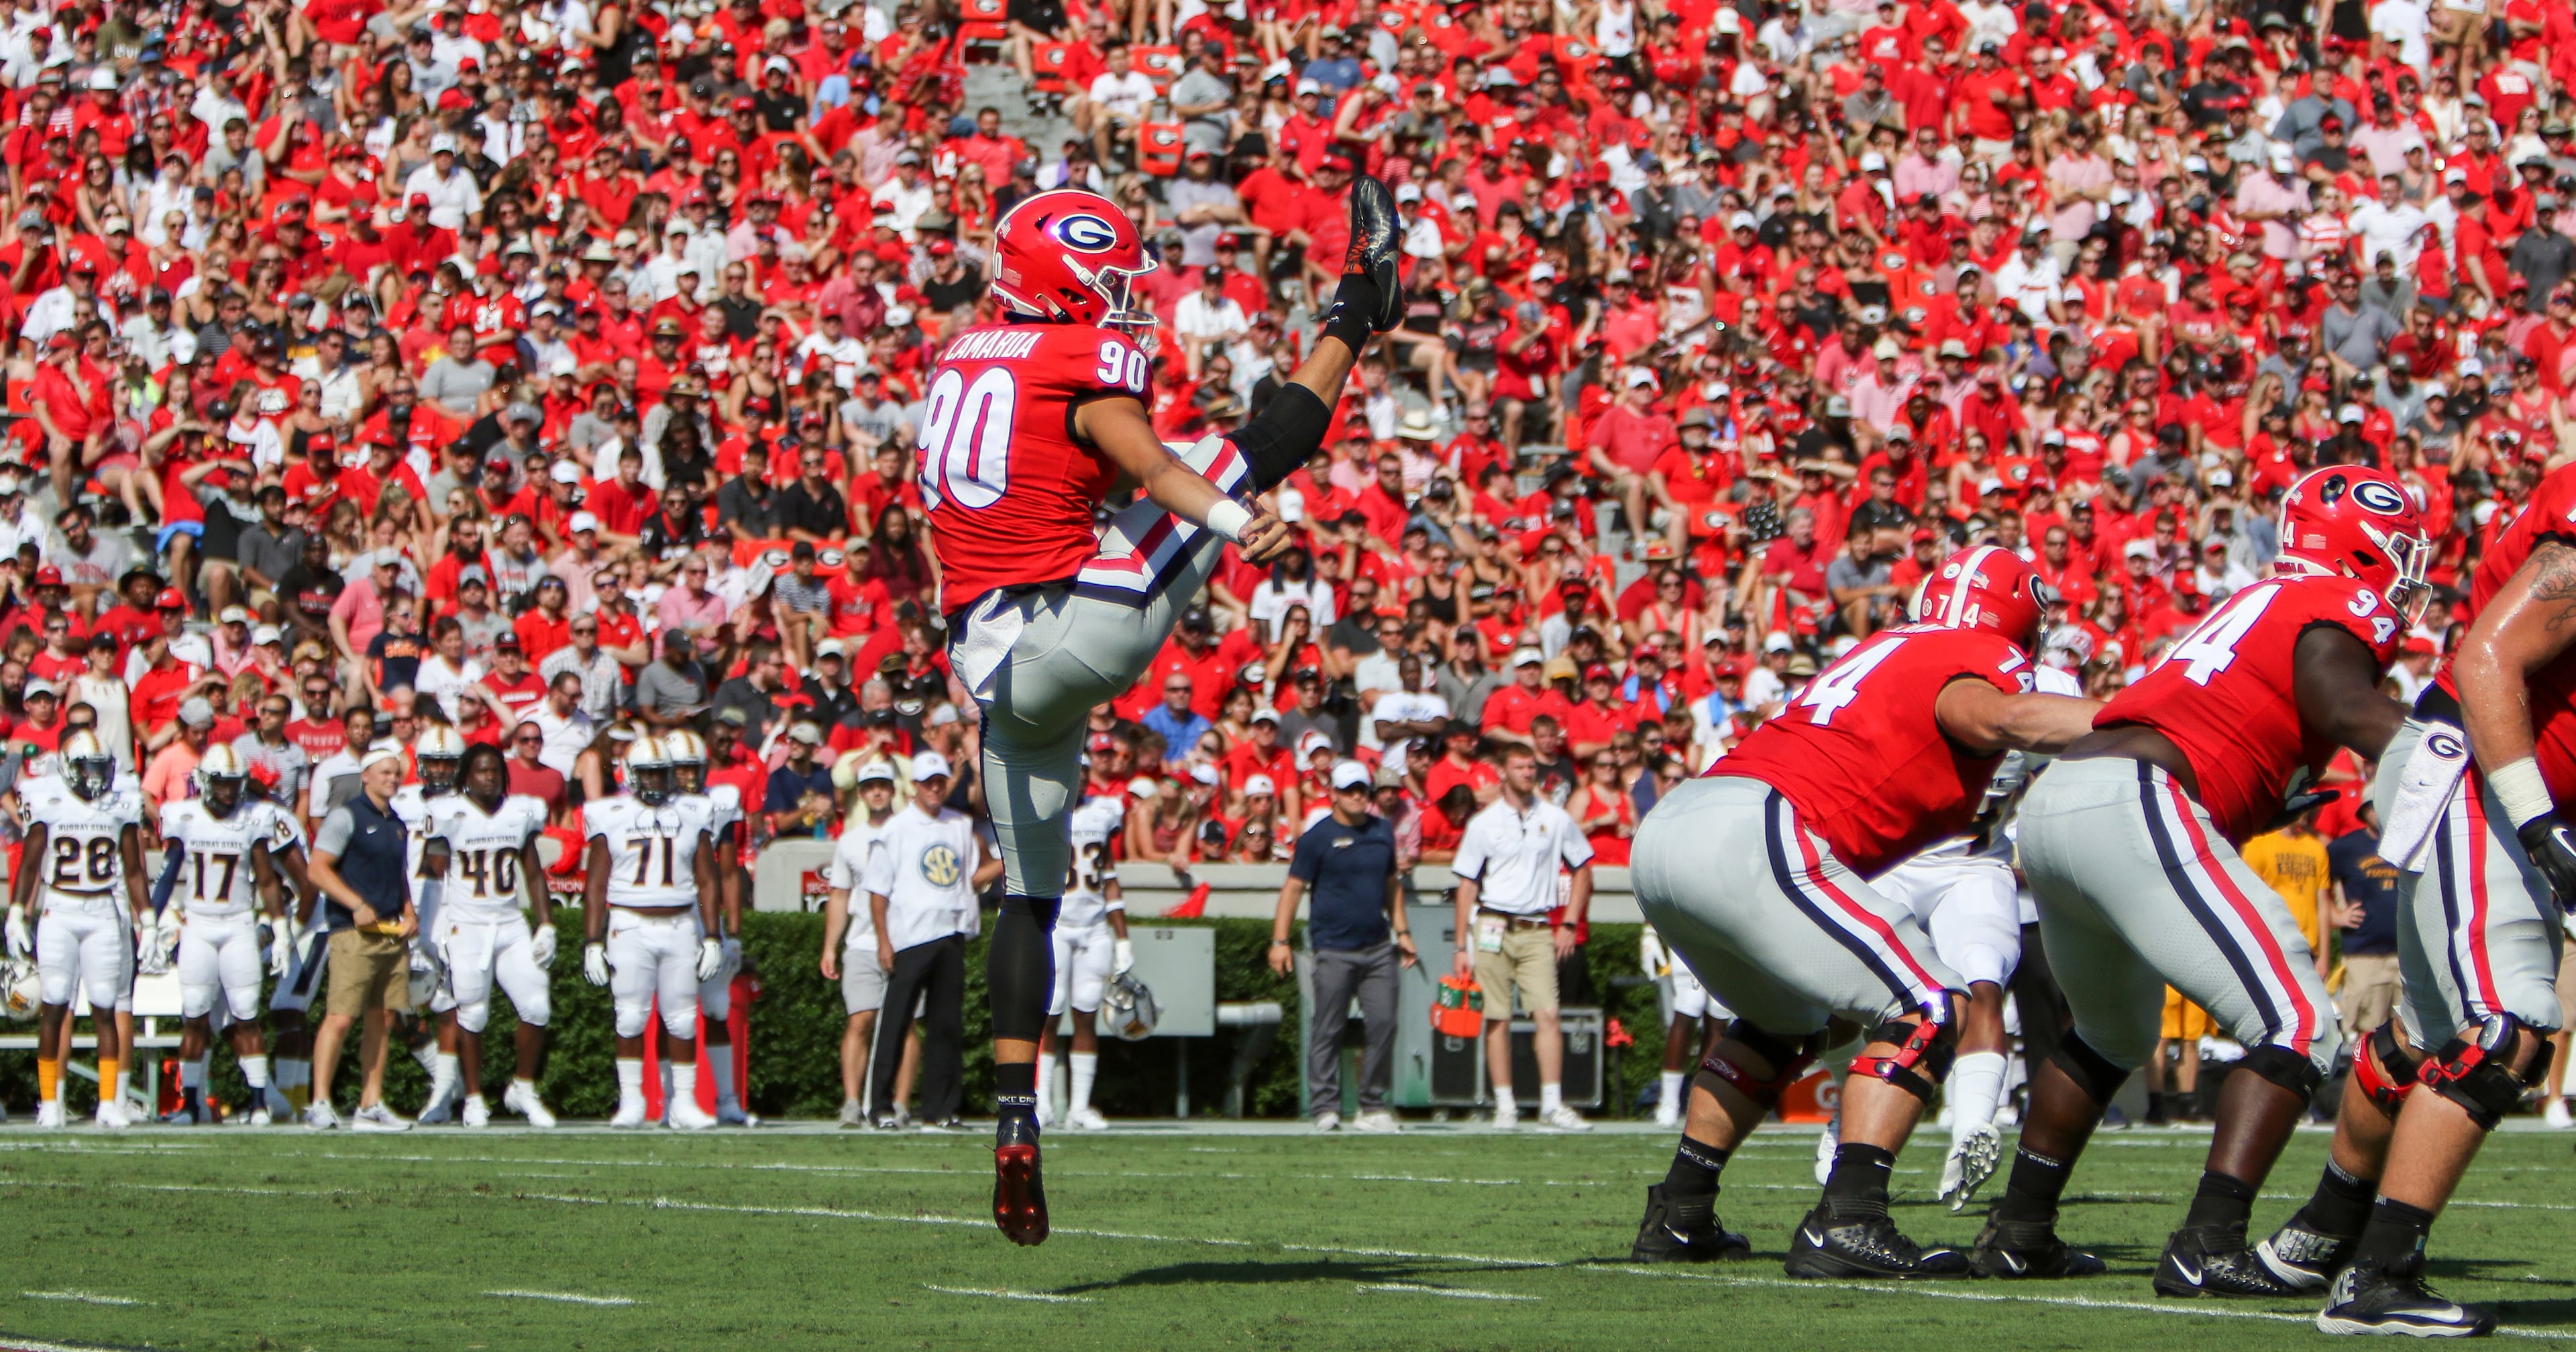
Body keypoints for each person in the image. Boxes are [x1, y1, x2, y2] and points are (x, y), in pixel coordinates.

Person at [918, 180, 1400, 1245]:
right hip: (1085, 623)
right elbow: (1152, 462)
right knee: (1253, 447)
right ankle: (1360, 306)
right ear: (1062, 282)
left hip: (991, 665)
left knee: (1030, 901)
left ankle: (1013, 1123)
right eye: (1108, 286)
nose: (1124, 304)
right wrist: (1238, 520)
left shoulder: (955, 358)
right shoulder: (1076, 361)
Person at [2004, 468, 2428, 1295]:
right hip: (2135, 798)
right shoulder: (2341, 602)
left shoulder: (2251, 601)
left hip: (2063, 802)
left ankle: (2019, 1230)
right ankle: (2209, 1241)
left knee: (2107, 1036)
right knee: (2300, 1021)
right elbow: (2343, 702)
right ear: (2356, 539)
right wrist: (2442, 751)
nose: (2407, 569)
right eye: (2399, 547)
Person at [1626, 547, 2098, 1275]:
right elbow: (1997, 714)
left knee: (1785, 1024)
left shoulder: (1888, 647)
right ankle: (1850, 1218)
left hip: (1678, 829)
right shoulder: (1974, 655)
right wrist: (2163, 723)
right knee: (1935, 1002)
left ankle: (1681, 1211)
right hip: (1758, 829)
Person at [2254, 460, 2576, 1335]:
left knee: (2425, 1037)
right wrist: (2542, 826)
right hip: (2478, 775)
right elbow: (2488, 658)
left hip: (2492, 786)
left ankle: (2318, 1235)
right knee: (2507, 1023)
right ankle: (2380, 1277)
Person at [580, 734, 724, 1130]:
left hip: (680, 924)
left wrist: (713, 935)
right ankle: (632, 1101)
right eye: (649, 774)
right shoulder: (609, 813)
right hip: (629, 923)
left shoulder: (694, 811)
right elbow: (595, 884)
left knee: (681, 1019)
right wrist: (592, 941)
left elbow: (709, 881)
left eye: (662, 775)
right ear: (630, 775)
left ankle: (683, 1103)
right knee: (629, 1016)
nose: (657, 783)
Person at [1452, 742, 1597, 1133]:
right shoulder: (1483, 823)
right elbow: (1467, 885)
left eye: (1532, 767)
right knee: (1496, 1017)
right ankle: (1505, 1104)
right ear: (1502, 772)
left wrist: (1568, 923)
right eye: (1519, 767)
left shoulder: (1556, 817)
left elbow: (1584, 868)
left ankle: (1552, 1103)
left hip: (1536, 926)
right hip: (1493, 924)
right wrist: (1461, 946)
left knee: (1547, 1013)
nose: (1528, 773)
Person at [11, 730, 148, 1129]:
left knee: (105, 1007)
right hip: (60, 909)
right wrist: (18, 912)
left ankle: (108, 1103)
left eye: (100, 768)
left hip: (103, 910)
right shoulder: (48, 802)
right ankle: (50, 1101)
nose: (94, 777)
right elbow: (31, 863)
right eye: (87, 768)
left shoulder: (119, 805)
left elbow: (135, 871)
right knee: (54, 1004)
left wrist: (150, 921)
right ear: (70, 769)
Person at [419, 742, 557, 1128]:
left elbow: (533, 873)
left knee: (537, 1005)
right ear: (466, 777)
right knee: (473, 1012)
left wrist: (546, 923)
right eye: (481, 771)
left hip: (510, 923)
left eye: (495, 771)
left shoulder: (519, 812)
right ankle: (474, 1098)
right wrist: (429, 933)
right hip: (468, 925)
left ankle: (523, 1088)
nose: (489, 777)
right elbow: (431, 875)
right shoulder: (449, 814)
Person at [1271, 759, 1413, 1131]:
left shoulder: (1383, 831)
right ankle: (1325, 1106)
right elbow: (1293, 889)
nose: (1356, 796)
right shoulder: (1316, 838)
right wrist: (1280, 941)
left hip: (1378, 947)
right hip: (1333, 948)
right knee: (1328, 1028)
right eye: (1348, 790)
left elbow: (1391, 885)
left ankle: (1372, 1105)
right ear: (1333, 793)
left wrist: (1403, 932)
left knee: (1384, 1023)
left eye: (1362, 790)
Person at [152, 744, 290, 1125]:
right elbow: (168, 875)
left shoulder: (253, 818)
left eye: (233, 784)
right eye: (220, 784)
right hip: (198, 924)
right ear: (202, 782)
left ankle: (259, 1103)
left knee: (247, 1015)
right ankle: (191, 1106)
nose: (228, 793)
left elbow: (266, 878)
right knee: (195, 1016)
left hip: (238, 925)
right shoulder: (185, 816)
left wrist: (280, 930)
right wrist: (149, 921)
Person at [863, 752, 1000, 1131]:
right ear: (915, 787)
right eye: (928, 783)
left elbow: (973, 876)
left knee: (946, 1026)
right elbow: (878, 891)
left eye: (940, 781)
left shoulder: (959, 825)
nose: (935, 788)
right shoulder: (895, 829)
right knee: (896, 1021)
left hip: (951, 930)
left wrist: (1010, 858)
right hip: (910, 935)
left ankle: (941, 1109)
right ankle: (880, 1106)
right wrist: (884, 941)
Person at [303, 743, 422, 1131]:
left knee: (384, 1018)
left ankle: (370, 1103)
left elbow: (399, 876)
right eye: (384, 772)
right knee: (340, 1017)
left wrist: (409, 912)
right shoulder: (346, 816)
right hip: (354, 933)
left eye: (395, 772)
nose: (392, 778)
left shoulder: (397, 823)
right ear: (366, 776)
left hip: (391, 932)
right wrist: (354, 903)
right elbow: (318, 870)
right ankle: (320, 1100)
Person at [663, 728, 755, 1127]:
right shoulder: (650, 811)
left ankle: (727, 1100)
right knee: (670, 1009)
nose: (687, 777)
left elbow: (729, 871)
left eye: (693, 769)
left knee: (716, 1008)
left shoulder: (720, 802)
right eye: (680, 769)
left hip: (707, 920)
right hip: (671, 916)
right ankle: (671, 1101)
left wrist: (731, 932)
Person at [1036, 791, 1130, 1131]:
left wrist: (1123, 939)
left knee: (1087, 1013)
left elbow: (1110, 880)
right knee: (1050, 1013)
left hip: (1093, 928)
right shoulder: (1045, 813)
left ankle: (1078, 1107)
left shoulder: (1102, 814)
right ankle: (1042, 1104)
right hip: (1058, 926)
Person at [822, 757, 905, 1126]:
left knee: (906, 1024)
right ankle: (853, 1101)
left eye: (883, 786)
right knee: (860, 1020)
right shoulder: (850, 840)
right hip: (861, 941)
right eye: (870, 786)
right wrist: (829, 946)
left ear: (893, 790)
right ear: (860, 794)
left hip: (906, 940)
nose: (877, 792)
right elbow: (839, 895)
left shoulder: (909, 832)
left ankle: (899, 1103)